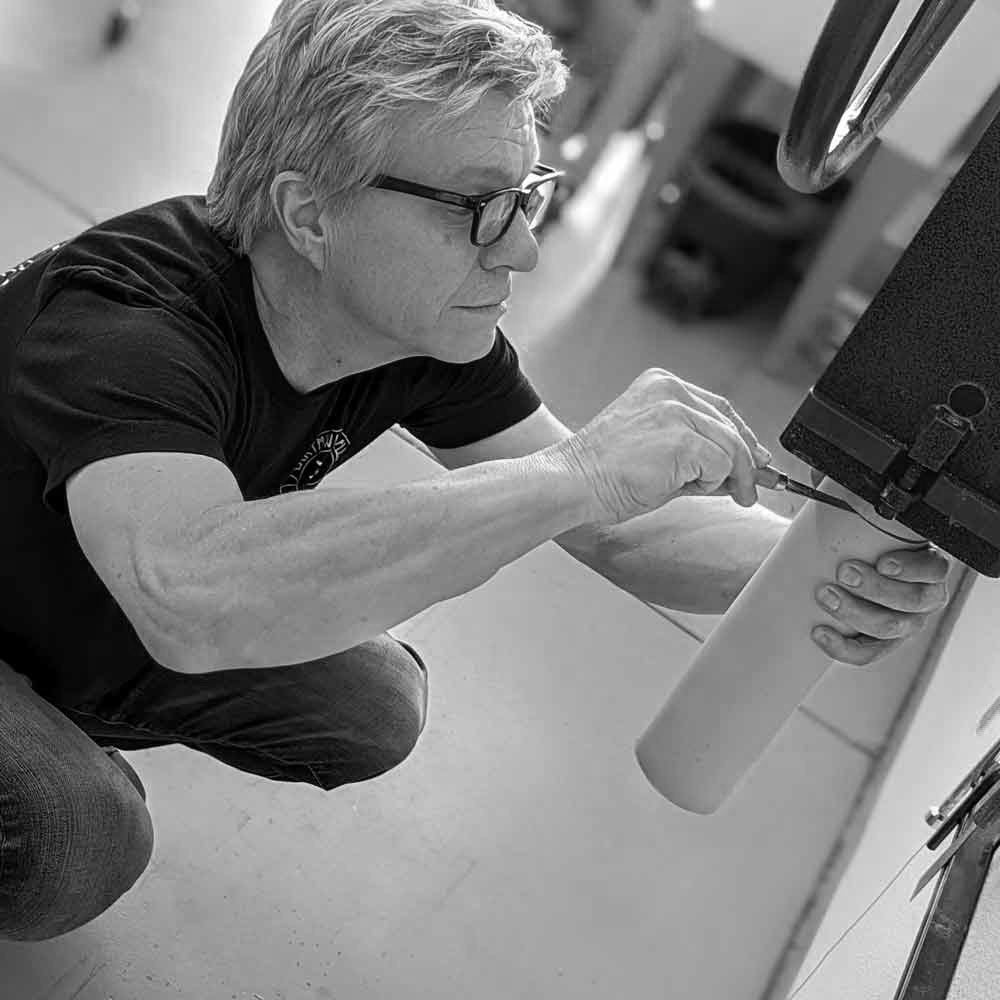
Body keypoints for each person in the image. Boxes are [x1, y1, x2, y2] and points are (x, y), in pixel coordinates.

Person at [0, 0, 950, 942]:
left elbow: (621, 529)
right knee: (80, 838)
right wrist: (577, 472)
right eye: (481, 209)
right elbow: (193, 593)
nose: (526, 249)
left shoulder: (408, 319)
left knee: (371, 707)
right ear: (309, 213)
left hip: (76, 589)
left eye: (525, 196)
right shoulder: (127, 320)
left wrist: (827, 566)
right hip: (123, 590)